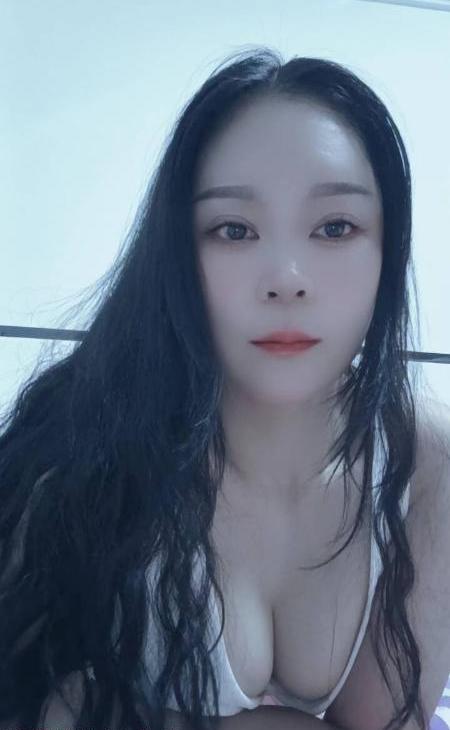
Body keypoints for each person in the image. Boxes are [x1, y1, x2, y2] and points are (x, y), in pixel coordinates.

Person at [0, 46, 448, 730]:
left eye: (335, 227)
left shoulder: (426, 461)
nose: (287, 278)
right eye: (234, 230)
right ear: (178, 253)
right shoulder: (79, 447)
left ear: (387, 252)